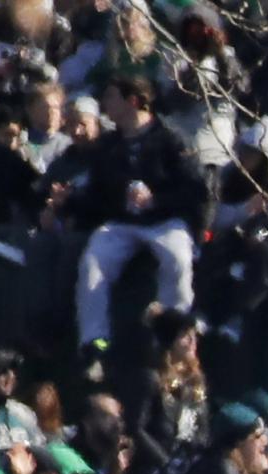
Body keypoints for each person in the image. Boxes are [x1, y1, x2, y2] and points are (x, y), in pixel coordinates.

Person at [72, 75, 213, 357]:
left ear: (133, 101)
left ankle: (175, 334)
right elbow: (96, 194)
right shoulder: (108, 145)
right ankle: (95, 340)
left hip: (165, 221)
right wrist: (68, 203)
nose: (106, 104)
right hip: (122, 223)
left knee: (177, 258)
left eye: (112, 97)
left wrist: (157, 200)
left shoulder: (171, 138)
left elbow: (196, 190)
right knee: (94, 262)